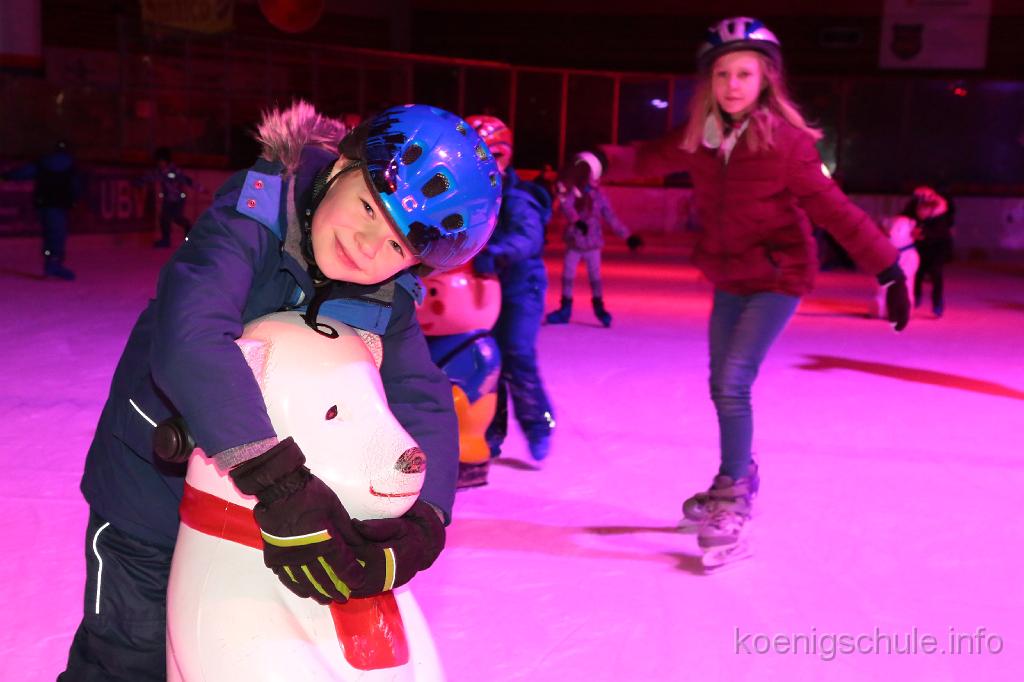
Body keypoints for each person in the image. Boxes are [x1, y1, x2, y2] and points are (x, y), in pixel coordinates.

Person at [58, 102, 502, 680]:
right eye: (368, 208)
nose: (367, 246)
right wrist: (278, 480)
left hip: (254, 524)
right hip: (149, 493)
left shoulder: (384, 295)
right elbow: (192, 336)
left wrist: (427, 516)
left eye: (398, 246)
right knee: (127, 656)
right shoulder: (250, 222)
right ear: (339, 167)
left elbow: (421, 394)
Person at [597, 17, 911, 569]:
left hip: (778, 276)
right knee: (722, 383)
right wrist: (596, 161)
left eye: (744, 73)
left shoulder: (787, 145)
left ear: (766, 79)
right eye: (722, 74)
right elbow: (647, 157)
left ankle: (735, 495)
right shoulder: (702, 137)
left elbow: (835, 210)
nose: (732, 85)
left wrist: (888, 267)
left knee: (732, 381)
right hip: (729, 275)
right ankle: (735, 475)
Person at [467, 114, 557, 466]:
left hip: (521, 286)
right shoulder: (467, 196)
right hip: (480, 289)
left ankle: (539, 424)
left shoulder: (517, 198)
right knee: (482, 359)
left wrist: (496, 252)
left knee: (516, 353)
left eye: (488, 156)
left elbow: (528, 237)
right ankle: (486, 431)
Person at [545, 151, 642, 328]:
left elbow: (611, 217)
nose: (594, 179)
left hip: (593, 243)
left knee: (595, 277)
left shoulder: (600, 196)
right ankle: (565, 309)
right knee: (567, 276)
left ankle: (599, 308)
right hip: (574, 241)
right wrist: (576, 221)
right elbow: (566, 206)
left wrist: (627, 236)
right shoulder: (573, 191)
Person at [2, 139, 80, 279]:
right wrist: (74, 200)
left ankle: (50, 261)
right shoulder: (71, 166)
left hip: (43, 204)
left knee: (49, 235)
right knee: (57, 235)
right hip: (58, 205)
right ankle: (53, 264)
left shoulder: (43, 162)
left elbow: (23, 173)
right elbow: (76, 186)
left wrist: (7, 176)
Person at [903, 184, 954, 317]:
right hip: (922, 249)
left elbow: (941, 233)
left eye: (925, 209)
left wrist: (923, 234)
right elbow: (903, 216)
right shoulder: (913, 209)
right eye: (920, 209)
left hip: (937, 249)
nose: (921, 212)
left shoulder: (940, 215)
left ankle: (937, 302)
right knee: (917, 273)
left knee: (936, 274)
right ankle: (916, 296)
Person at [142, 147, 195, 248]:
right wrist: (141, 181)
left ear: (166, 160)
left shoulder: (175, 170)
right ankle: (165, 240)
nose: (159, 163)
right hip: (168, 199)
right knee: (164, 218)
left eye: (161, 161)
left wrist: (200, 188)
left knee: (176, 217)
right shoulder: (160, 171)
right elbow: (152, 177)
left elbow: (187, 180)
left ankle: (188, 229)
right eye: (158, 161)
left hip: (178, 199)